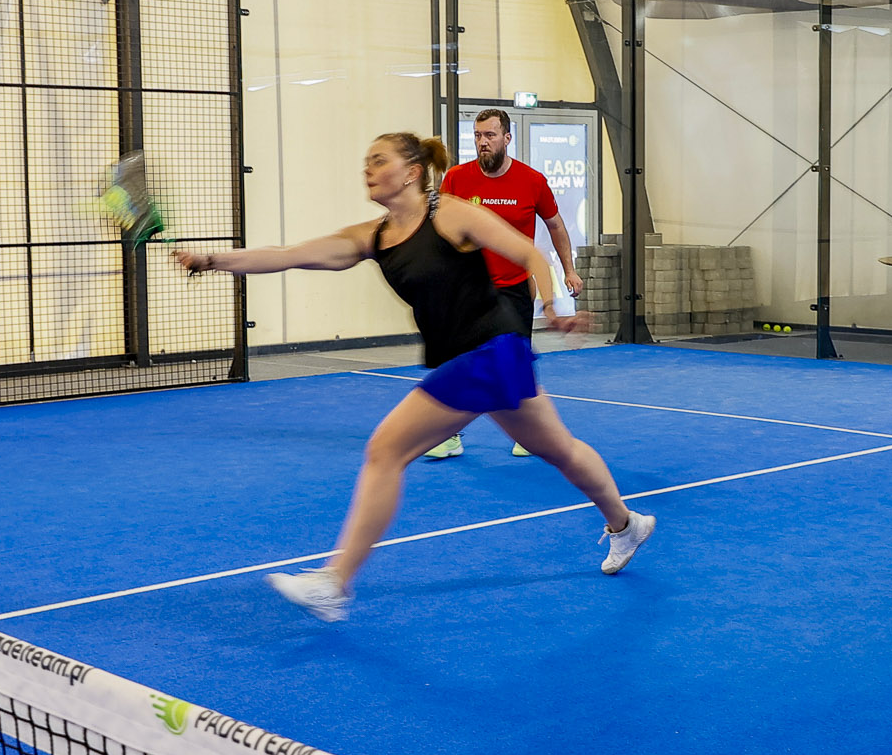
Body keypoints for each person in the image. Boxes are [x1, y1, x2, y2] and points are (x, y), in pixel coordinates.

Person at [174, 132, 654, 622]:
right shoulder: (373, 237)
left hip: (493, 351)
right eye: (365, 161)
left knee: (386, 449)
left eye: (378, 160)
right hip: (471, 360)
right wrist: (213, 261)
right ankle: (625, 523)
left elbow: (528, 254)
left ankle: (335, 584)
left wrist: (554, 303)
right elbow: (289, 254)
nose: (368, 168)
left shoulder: (449, 213)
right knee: (562, 450)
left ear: (411, 171)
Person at [424, 108, 584, 460]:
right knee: (458, 362)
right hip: (467, 290)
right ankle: (450, 435)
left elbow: (556, 227)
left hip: (513, 289)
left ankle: (526, 434)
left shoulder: (532, 181)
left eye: (490, 135)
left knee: (513, 365)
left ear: (507, 139)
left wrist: (568, 271)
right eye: (478, 136)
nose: (483, 142)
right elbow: (437, 228)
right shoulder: (456, 179)